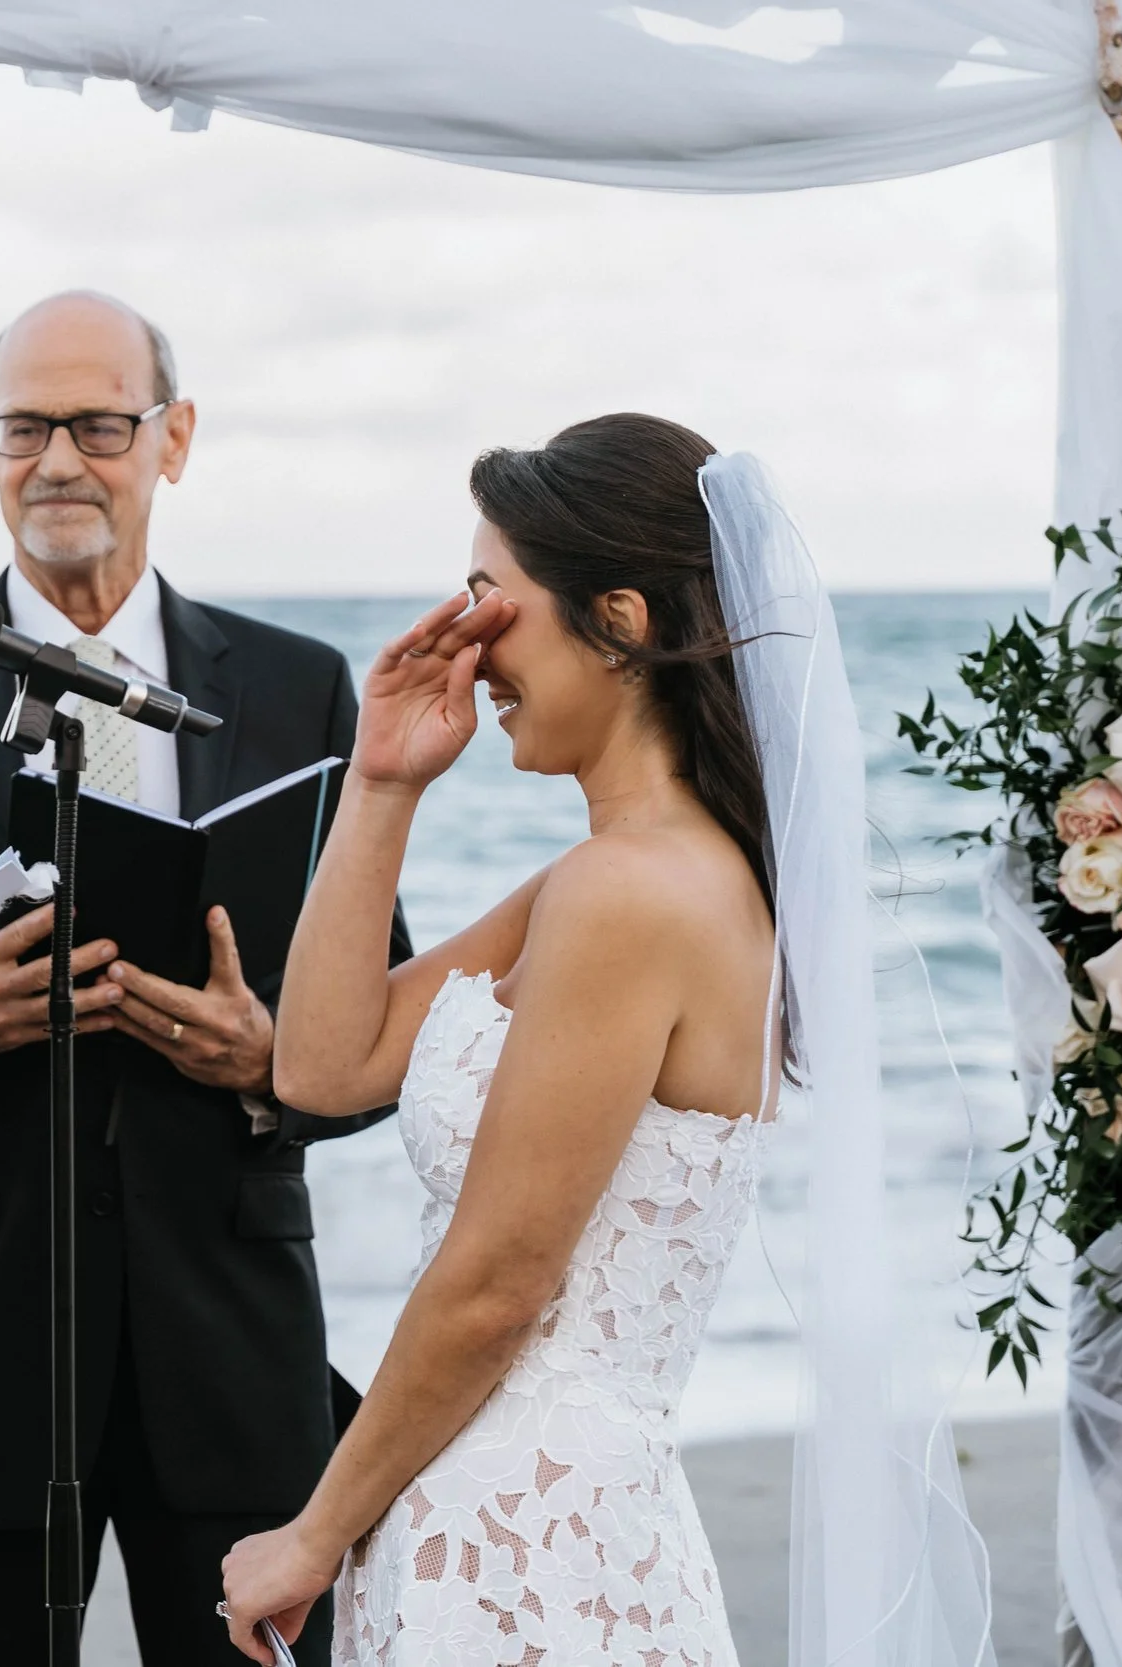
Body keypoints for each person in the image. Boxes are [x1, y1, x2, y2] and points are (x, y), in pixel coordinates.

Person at [0, 290, 408, 1667]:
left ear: (172, 439)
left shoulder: (299, 687)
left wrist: (266, 1061)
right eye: (24, 424)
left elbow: (384, 1025)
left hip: (231, 1359)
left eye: (100, 423)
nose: (59, 457)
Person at [218, 414, 781, 1664]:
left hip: (529, 1543)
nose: (468, 646)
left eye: (490, 599)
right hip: (517, 1508)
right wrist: (379, 785)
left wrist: (312, 1530)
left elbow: (497, 1283)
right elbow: (322, 1066)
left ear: (620, 622)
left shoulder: (629, 896)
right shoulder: (608, 876)